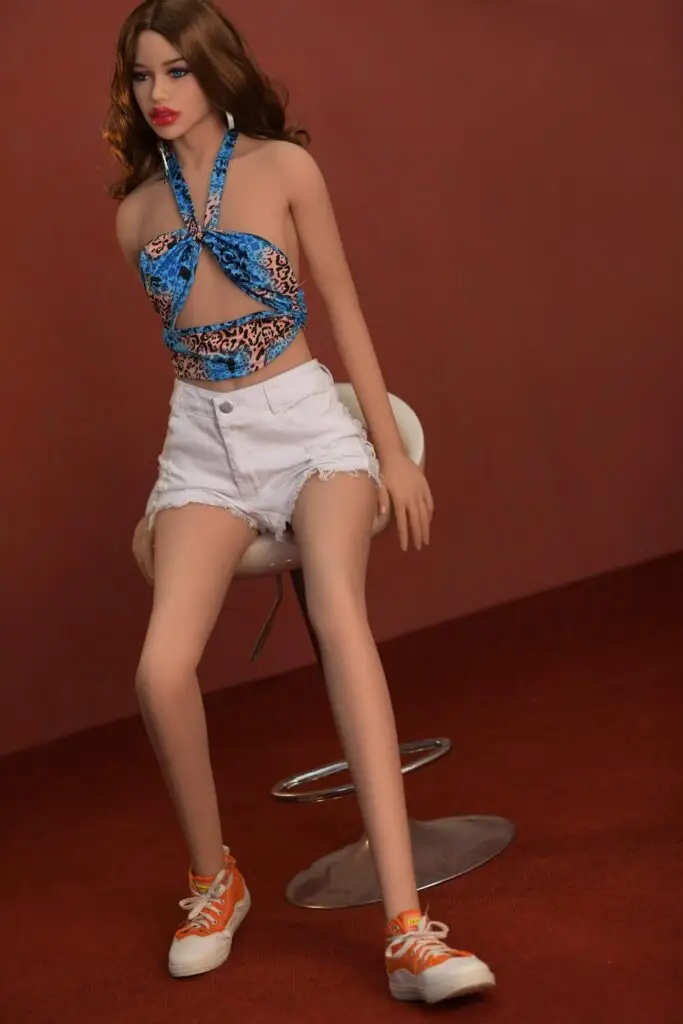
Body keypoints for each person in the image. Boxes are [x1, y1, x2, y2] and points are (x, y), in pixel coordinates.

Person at [104, 0, 495, 1004]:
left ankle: (406, 932)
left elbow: (344, 307)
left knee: (336, 608)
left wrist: (388, 451)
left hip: (308, 427)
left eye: (178, 70)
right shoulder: (134, 215)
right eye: (143, 75)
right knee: (158, 669)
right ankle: (214, 880)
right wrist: (165, 493)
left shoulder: (283, 168)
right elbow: (188, 362)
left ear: (215, 70)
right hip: (203, 443)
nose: (159, 93)